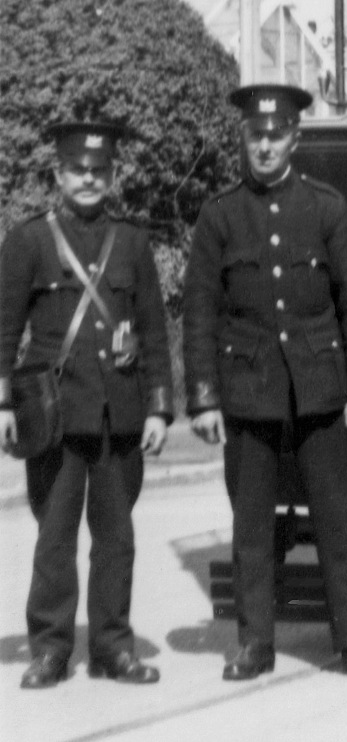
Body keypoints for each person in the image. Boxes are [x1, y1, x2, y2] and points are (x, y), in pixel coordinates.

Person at [182, 84, 347, 681]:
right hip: (248, 389)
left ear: (295, 139)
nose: (266, 146)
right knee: (251, 525)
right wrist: (202, 398)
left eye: (277, 135)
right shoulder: (220, 214)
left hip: (320, 389)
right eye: (256, 136)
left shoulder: (326, 207)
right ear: (244, 139)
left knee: (335, 521)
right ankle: (255, 644)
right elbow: (199, 310)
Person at [0, 121, 174, 688]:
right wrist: (3, 403)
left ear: (113, 175)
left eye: (100, 171)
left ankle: (112, 648)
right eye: (78, 170)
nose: (89, 180)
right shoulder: (28, 240)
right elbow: (3, 330)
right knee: (54, 538)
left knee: (116, 539)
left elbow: (152, 327)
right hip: (53, 413)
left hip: (119, 411)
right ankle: (50, 648)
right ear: (59, 174)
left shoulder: (131, 240)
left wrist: (157, 407)